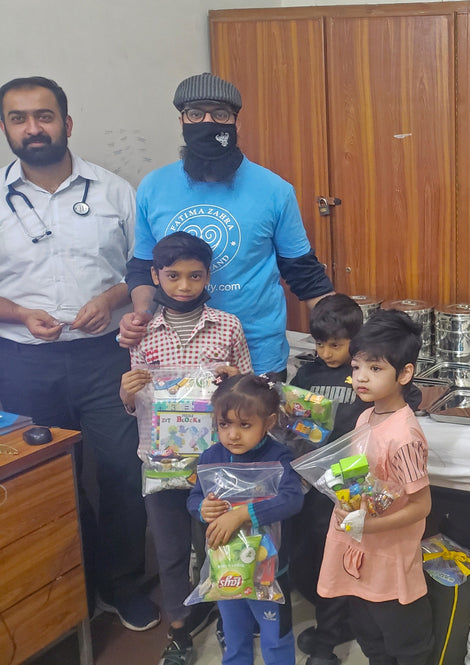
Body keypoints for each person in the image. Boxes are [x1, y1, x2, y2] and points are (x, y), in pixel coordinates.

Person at [0, 76, 159, 631]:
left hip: (106, 357)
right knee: (48, 477)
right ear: (6, 129)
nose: (32, 127)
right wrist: (20, 313)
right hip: (21, 363)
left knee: (122, 469)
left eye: (43, 116)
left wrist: (114, 298)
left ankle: (121, 583)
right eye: (18, 118)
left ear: (67, 124)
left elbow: (142, 271)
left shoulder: (116, 191)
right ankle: (74, 585)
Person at [119, 72, 334, 379]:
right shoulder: (153, 187)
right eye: (196, 114)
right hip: (174, 360)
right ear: (181, 121)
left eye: (220, 114)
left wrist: (345, 330)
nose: (208, 122)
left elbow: (304, 273)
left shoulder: (274, 190)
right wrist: (140, 315)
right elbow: (143, 267)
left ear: (237, 122)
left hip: (259, 356)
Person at [120, 231, 252, 665]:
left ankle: (228, 616)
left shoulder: (227, 325)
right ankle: (178, 628)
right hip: (160, 460)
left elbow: (250, 396)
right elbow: (134, 403)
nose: (183, 286)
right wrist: (126, 390)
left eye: (194, 276)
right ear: (155, 275)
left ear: (208, 275)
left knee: (221, 541)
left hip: (218, 459)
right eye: (172, 276)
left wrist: (234, 378)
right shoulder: (141, 332)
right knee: (171, 547)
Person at [289, 295, 423, 664]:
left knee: (398, 636)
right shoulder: (366, 419)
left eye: (374, 369)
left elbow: (420, 505)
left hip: (387, 551)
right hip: (355, 535)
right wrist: (346, 497)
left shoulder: (404, 435)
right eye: (358, 367)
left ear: (404, 373)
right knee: (367, 629)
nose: (360, 377)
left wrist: (369, 521)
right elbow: (360, 477)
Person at [187, 374, 304, 665]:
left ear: (269, 422)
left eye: (245, 425)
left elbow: (293, 499)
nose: (233, 435)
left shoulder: (279, 457)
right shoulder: (211, 457)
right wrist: (202, 508)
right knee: (234, 633)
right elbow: (193, 497)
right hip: (225, 567)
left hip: (269, 570)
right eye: (224, 425)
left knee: (275, 636)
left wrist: (244, 514)